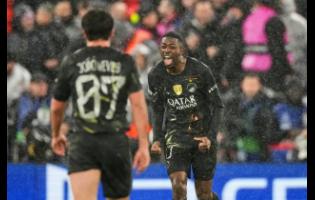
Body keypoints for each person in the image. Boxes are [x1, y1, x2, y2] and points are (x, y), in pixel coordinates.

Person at [50, 10, 150, 200]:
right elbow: (138, 105)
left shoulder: (72, 62)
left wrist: (56, 135)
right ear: (112, 32)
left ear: (84, 32)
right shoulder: (125, 61)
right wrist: (144, 146)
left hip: (83, 141)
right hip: (115, 141)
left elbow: (56, 107)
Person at [149, 32, 223, 200]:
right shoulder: (155, 75)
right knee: (178, 185)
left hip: (201, 136)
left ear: (181, 50)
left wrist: (210, 137)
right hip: (175, 136)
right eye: (163, 47)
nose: (166, 51)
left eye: (171, 47)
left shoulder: (201, 71)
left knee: (203, 194)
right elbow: (157, 108)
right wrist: (157, 137)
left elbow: (218, 105)